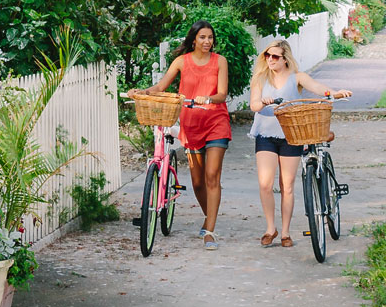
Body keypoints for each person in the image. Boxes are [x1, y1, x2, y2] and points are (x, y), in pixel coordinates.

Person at [132, 20, 231, 250]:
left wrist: (208, 98)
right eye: (203, 37)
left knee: (212, 176)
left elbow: (223, 94)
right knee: (197, 182)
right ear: (193, 39)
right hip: (191, 124)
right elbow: (161, 86)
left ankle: (210, 231)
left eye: (210, 37)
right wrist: (142, 92)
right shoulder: (181, 62)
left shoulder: (220, 61)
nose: (207, 42)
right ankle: (210, 217)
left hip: (216, 121)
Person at [249, 39, 352, 248]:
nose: (270, 60)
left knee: (287, 186)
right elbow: (254, 105)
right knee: (265, 184)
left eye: (275, 56)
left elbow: (317, 87)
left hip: (291, 135)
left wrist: (333, 93)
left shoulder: (298, 77)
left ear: (285, 59)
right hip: (265, 134)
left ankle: (285, 232)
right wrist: (263, 102)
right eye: (267, 56)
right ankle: (271, 228)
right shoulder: (259, 78)